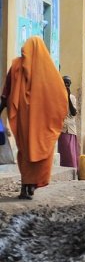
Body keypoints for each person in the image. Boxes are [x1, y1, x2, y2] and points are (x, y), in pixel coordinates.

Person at [0, 37, 67, 199]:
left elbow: (5, 94)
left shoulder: (18, 66)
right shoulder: (46, 71)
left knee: (27, 153)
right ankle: (28, 185)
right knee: (32, 153)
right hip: (35, 124)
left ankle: (28, 185)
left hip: (27, 123)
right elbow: (61, 96)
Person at [57, 75, 79, 169]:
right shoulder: (57, 96)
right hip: (61, 128)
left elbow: (73, 112)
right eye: (64, 83)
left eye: (68, 84)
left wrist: (68, 98)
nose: (66, 85)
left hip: (70, 128)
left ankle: (73, 169)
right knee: (63, 150)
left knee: (70, 151)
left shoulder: (72, 98)